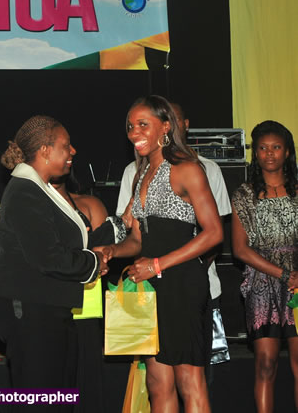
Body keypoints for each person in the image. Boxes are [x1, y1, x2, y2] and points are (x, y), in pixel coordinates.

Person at [97, 95, 223, 413]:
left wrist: (158, 265)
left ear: (165, 127)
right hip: (149, 290)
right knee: (156, 383)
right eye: (130, 126)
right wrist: (114, 249)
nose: (134, 131)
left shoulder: (186, 169)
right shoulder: (140, 174)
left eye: (143, 124)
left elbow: (214, 233)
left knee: (188, 382)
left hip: (181, 283)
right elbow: (138, 240)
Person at [0, 116, 105, 412]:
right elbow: (48, 257)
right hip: (29, 309)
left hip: (47, 307)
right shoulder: (25, 191)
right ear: (44, 150)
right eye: (66, 146)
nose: (73, 151)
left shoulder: (38, 189)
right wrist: (93, 261)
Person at [230, 120, 298, 413]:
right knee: (266, 364)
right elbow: (240, 249)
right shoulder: (244, 194)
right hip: (262, 284)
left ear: (287, 152)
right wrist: (284, 274)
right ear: (255, 154)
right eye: (262, 148)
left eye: (276, 147)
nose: (269, 154)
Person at [50, 172, 116, 413]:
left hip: (85, 310)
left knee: (86, 390)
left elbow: (106, 256)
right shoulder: (31, 206)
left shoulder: (90, 204)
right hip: (44, 309)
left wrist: (103, 259)